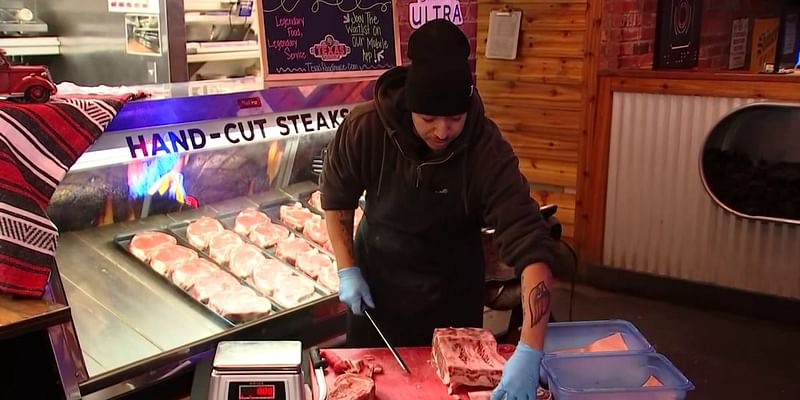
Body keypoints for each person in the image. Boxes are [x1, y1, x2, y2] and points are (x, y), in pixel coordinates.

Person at [320, 19, 556, 400]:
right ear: (410, 104)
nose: (443, 131)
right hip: (378, 293)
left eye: (455, 119)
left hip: (452, 298)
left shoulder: (485, 149)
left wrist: (530, 349)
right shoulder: (366, 127)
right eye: (429, 119)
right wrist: (347, 269)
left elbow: (532, 245)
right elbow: (336, 198)